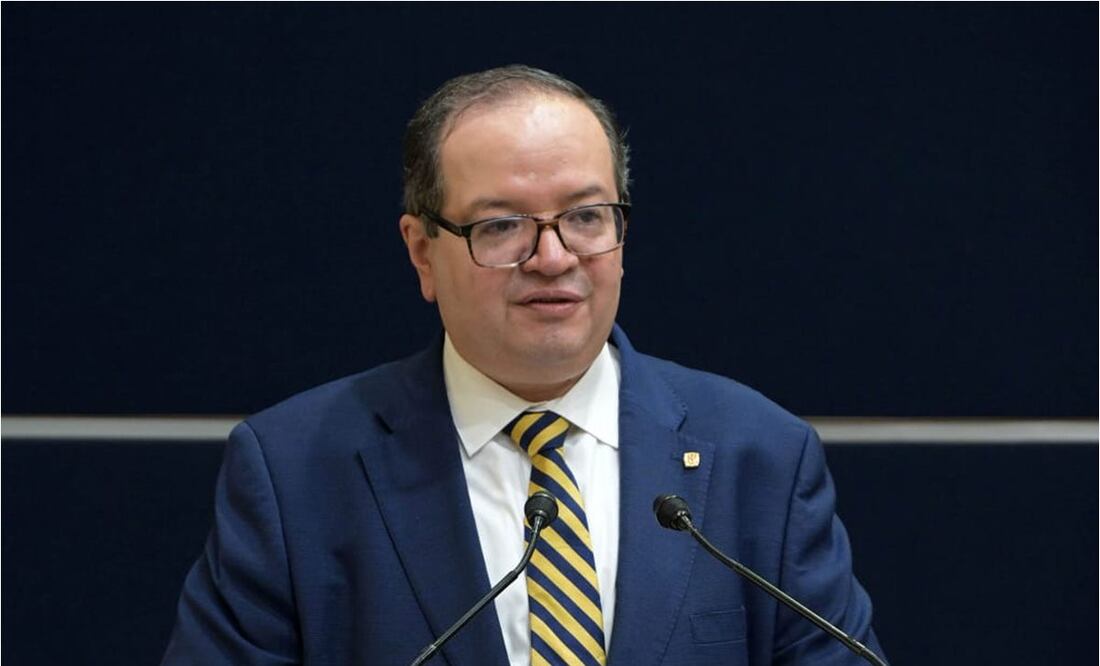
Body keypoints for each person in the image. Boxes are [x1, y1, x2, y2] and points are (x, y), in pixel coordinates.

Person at [162, 65, 886, 665]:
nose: (553, 257)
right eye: (502, 225)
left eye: (586, 216)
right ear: (422, 251)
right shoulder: (295, 473)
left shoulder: (760, 456)